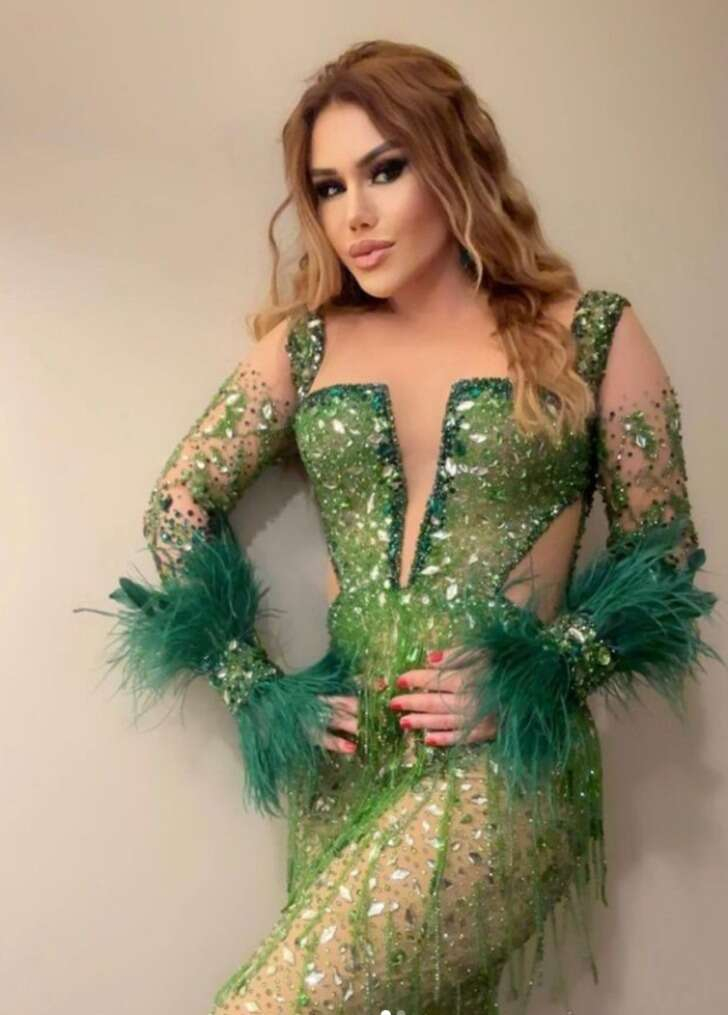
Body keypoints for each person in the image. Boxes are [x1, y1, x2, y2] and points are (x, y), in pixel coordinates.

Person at [89, 39, 721, 1015]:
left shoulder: (588, 331)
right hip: (346, 764)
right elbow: (178, 504)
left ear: (452, 162)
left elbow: (663, 562)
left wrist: (546, 669)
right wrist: (259, 688)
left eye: (385, 170)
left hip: (500, 765)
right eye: (328, 187)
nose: (356, 214)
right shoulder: (306, 347)